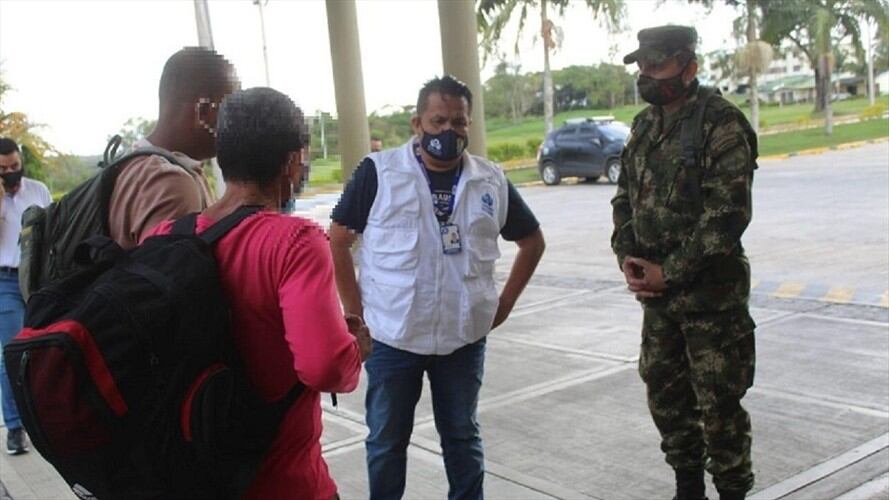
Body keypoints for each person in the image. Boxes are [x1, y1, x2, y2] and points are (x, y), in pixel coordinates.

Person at [143, 87, 370, 499]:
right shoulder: (295, 241)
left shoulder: (164, 237)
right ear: (292, 161)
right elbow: (324, 368)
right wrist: (354, 348)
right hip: (284, 483)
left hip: (195, 477)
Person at [330, 75, 545, 500]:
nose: (449, 131)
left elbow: (532, 242)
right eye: (438, 121)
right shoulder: (380, 172)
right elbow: (337, 240)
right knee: (386, 442)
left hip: (463, 340)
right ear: (418, 123)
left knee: (462, 438)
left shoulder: (490, 180)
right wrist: (356, 316)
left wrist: (503, 306)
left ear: (469, 125)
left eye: (458, 122)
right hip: (393, 338)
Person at [611, 26, 758, 500]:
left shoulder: (721, 123)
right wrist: (627, 256)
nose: (647, 74)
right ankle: (687, 489)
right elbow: (624, 198)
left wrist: (668, 272)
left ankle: (733, 491)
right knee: (666, 399)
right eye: (642, 65)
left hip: (711, 302)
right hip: (659, 304)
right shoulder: (644, 126)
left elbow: (728, 215)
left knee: (719, 408)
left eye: (658, 65)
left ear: (689, 67)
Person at [110, 46, 240, 250]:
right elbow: (172, 269)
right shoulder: (171, 183)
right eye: (231, 112)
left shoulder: (130, 165)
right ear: (203, 112)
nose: (235, 124)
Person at [0, 137, 51, 455]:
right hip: (4, 280)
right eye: (3, 169)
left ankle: (45, 418)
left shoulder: (38, 190)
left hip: (35, 278)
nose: (11, 173)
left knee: (41, 348)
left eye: (14, 166)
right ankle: (15, 427)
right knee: (12, 352)